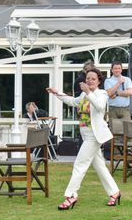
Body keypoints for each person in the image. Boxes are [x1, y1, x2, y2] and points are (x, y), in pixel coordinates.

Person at [46, 68, 121, 210]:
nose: (90, 81)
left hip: (94, 136)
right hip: (85, 134)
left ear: (99, 81)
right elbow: (73, 101)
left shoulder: (102, 94)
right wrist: (57, 93)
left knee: (79, 165)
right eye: (88, 78)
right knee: (100, 167)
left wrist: (88, 92)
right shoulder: (83, 95)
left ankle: (71, 195)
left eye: (93, 79)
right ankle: (115, 192)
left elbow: (99, 107)